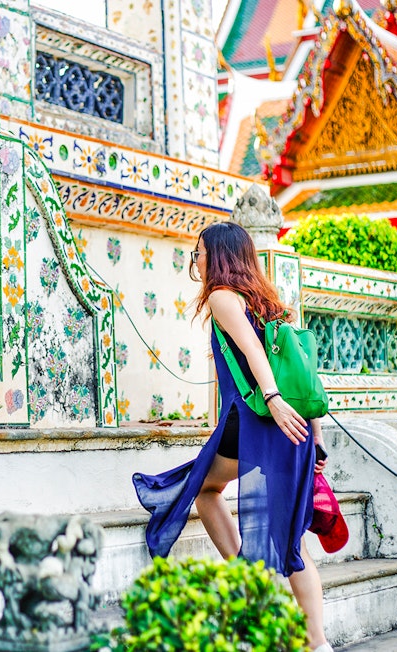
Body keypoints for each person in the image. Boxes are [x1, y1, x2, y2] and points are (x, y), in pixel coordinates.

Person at [133, 221, 333, 652]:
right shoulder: (269, 302)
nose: (196, 260)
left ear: (218, 256)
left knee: (204, 488)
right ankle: (318, 643)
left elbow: (253, 352)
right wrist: (316, 438)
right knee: (291, 543)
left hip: (262, 421)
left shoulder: (224, 297)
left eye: (198, 252)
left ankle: (249, 576)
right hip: (295, 426)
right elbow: (309, 378)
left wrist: (274, 399)